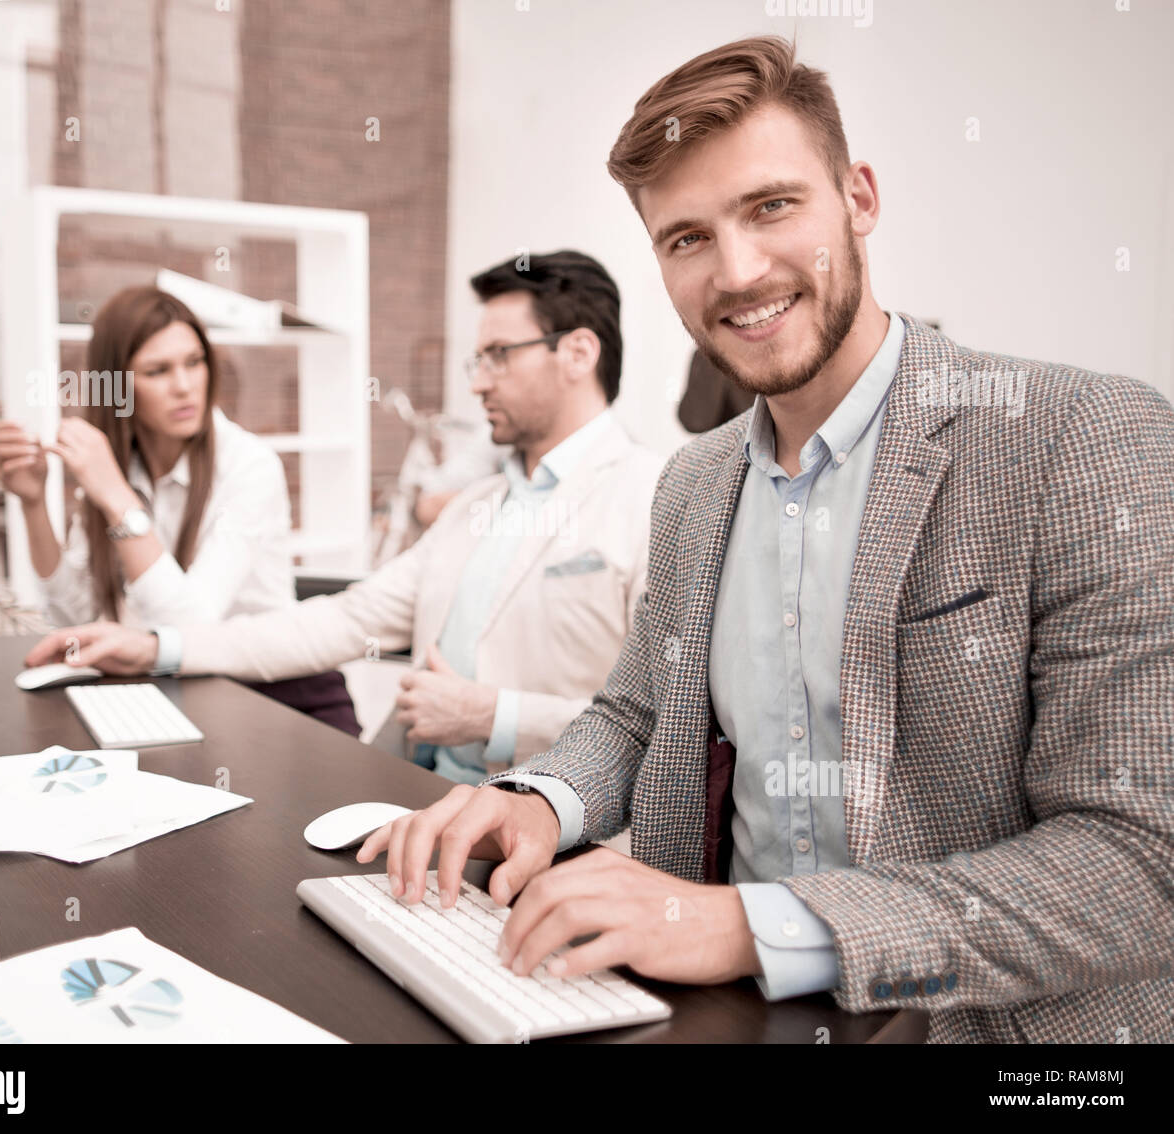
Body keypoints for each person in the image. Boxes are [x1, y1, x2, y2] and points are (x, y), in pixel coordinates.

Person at [355, 37, 1173, 1043]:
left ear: (859, 198)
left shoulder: (1080, 440)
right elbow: (634, 709)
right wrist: (538, 800)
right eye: (687, 238)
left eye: (772, 207)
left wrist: (748, 925)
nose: (738, 271)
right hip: (722, 1015)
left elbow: (1137, 860)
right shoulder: (695, 482)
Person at [24, 251, 666, 785]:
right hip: (422, 797)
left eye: (498, 355)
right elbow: (342, 619)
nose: (477, 384)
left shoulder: (656, 498)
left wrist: (496, 716)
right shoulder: (477, 508)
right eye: (479, 360)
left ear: (579, 353)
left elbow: (673, 727)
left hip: (554, 827)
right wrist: (154, 648)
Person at [0, 285, 358, 735]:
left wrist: (118, 500)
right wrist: (33, 503)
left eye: (194, 362)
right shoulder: (118, 469)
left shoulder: (249, 467)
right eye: (157, 370)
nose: (185, 386)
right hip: (183, 695)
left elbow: (193, 632)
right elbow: (77, 617)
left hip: (284, 700)